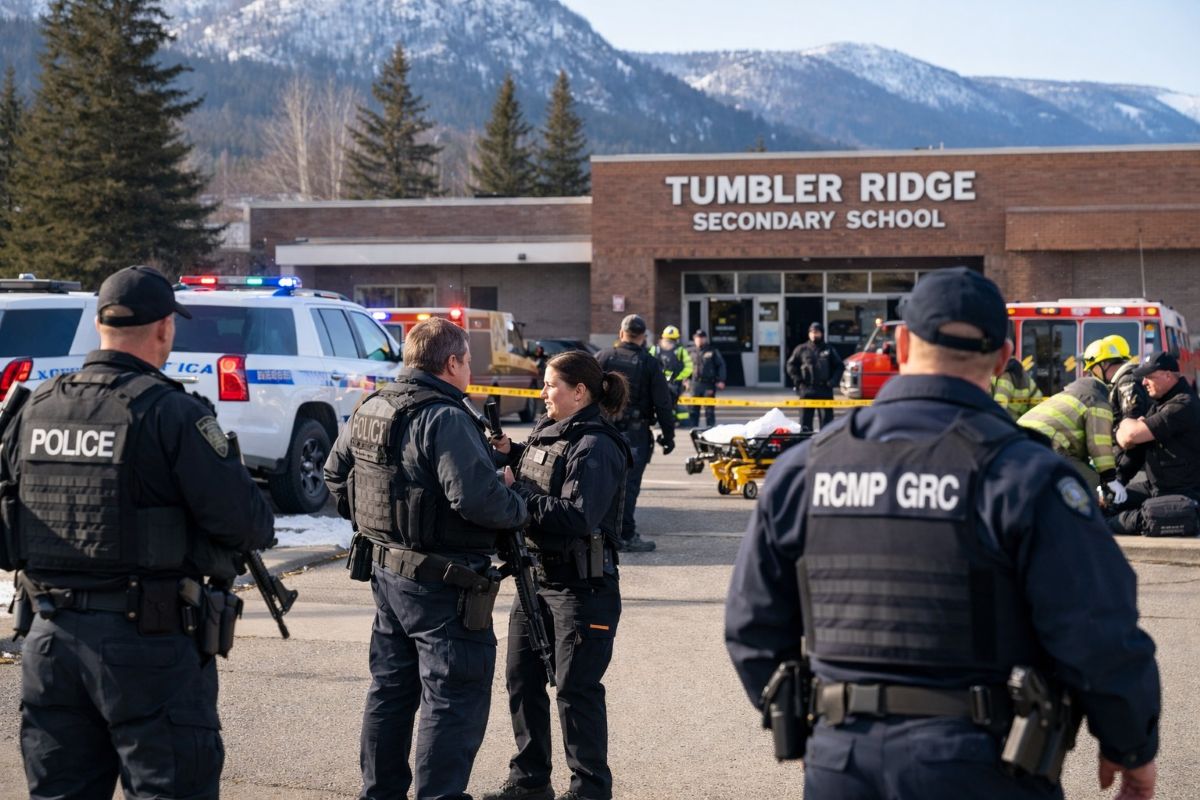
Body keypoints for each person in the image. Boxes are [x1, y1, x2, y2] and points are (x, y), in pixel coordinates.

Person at [726, 267, 1160, 800]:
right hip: (985, 766)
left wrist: (811, 731)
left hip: (843, 764)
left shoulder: (804, 469)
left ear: (903, 345)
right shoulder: (1027, 476)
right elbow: (1099, 631)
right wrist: (1131, 746)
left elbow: (751, 623)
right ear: (1002, 358)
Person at [0, 265, 276, 800]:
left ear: (100, 325)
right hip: (147, 646)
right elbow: (248, 523)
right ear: (165, 328)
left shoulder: (35, 407)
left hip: (49, 639)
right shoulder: (172, 412)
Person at [323, 316, 529, 800]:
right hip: (443, 584)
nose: (469, 369)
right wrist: (517, 501)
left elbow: (335, 475)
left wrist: (379, 525)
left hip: (387, 572)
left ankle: (380, 793)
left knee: (391, 690)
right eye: (468, 361)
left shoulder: (373, 404)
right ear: (451, 363)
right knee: (452, 696)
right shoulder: (445, 417)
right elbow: (477, 501)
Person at [482, 351, 632, 800]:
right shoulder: (552, 430)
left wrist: (519, 495)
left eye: (551, 385)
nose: (543, 393)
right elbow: (548, 469)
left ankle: (589, 790)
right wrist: (513, 453)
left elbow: (576, 516)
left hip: (582, 588)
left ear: (579, 392)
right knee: (522, 680)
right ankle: (530, 781)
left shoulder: (597, 445)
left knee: (575, 690)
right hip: (536, 581)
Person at [596, 314, 674, 553]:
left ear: (621, 333)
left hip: (602, 430)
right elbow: (663, 403)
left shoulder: (602, 357)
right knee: (628, 486)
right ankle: (625, 535)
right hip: (635, 434)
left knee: (599, 481)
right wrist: (668, 436)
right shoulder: (649, 363)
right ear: (643, 337)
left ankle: (599, 532)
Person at [1016, 339, 1124, 497]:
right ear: (1097, 367)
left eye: (1120, 364)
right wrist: (1110, 478)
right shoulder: (1096, 398)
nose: (1118, 370)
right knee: (1091, 482)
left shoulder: (1074, 392)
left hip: (1018, 443)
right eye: (1114, 364)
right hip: (1044, 446)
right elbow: (1099, 443)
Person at [1108, 351, 1200, 535]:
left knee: (1119, 523)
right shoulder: (1159, 404)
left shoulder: (1183, 404)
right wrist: (1116, 482)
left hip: (1182, 494)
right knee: (1104, 505)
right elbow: (1136, 450)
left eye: (1149, 377)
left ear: (1168, 376)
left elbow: (1130, 436)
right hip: (1156, 488)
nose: (1143, 383)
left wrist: (1125, 424)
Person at [1101, 335, 1152, 485]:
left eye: (1093, 368)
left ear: (1104, 364)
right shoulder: (1127, 379)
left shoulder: (1127, 381)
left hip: (1128, 455)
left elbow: (1132, 433)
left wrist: (1118, 477)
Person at [785, 321, 844, 431]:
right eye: (812, 332)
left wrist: (833, 382)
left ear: (821, 333)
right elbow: (790, 365)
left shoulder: (829, 349)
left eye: (816, 332)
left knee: (827, 423)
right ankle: (805, 441)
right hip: (807, 389)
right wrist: (798, 381)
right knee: (805, 423)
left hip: (824, 389)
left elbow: (839, 366)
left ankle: (826, 442)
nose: (814, 335)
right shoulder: (802, 349)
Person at [648, 324, 693, 426]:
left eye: (671, 341)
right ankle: (663, 422)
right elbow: (648, 365)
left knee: (672, 404)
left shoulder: (680, 351)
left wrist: (678, 378)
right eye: (668, 340)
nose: (669, 343)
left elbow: (689, 367)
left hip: (675, 384)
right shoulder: (655, 349)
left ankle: (676, 422)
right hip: (658, 383)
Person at [686, 329, 727, 428]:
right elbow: (684, 367)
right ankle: (694, 429)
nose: (699, 340)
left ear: (705, 339)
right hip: (694, 384)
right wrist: (685, 380)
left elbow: (721, 365)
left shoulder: (712, 351)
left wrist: (721, 380)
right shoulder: (689, 351)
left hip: (708, 384)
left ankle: (710, 429)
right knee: (693, 409)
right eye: (697, 338)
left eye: (702, 338)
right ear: (694, 339)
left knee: (709, 410)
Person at [990, 352, 1041, 421]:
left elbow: (1000, 404)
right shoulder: (1019, 372)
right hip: (1028, 415)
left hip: (1020, 418)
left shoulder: (1005, 377)